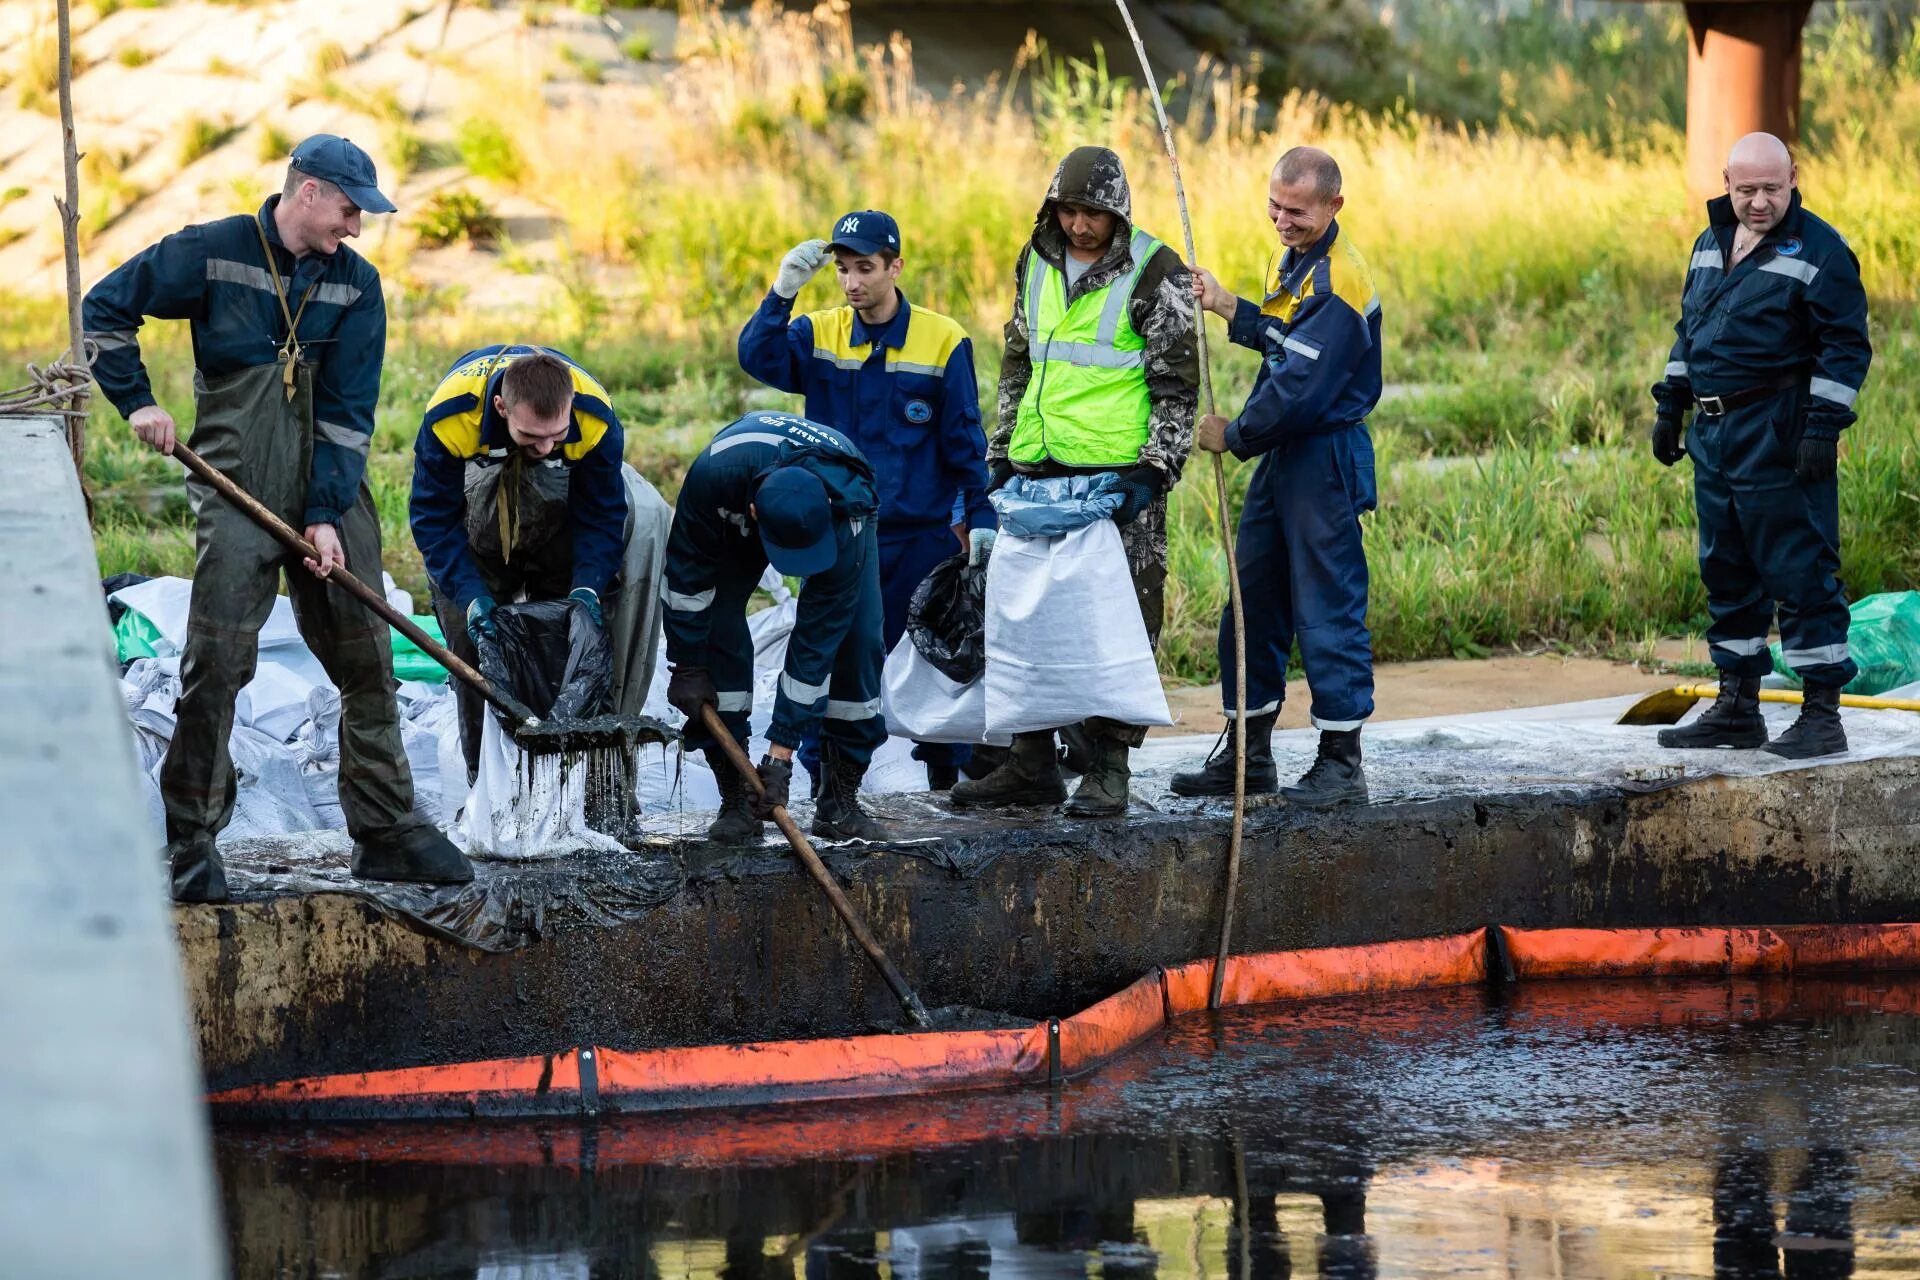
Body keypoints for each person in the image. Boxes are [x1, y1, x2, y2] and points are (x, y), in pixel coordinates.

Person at [81, 134, 472, 902]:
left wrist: (327, 514)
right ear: (309, 192)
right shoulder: (213, 252)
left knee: (369, 661)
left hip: (331, 488)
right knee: (216, 666)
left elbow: (352, 412)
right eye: (351, 210)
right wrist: (139, 403)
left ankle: (387, 830)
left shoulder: (358, 286)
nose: (356, 228)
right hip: (233, 487)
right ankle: (191, 842)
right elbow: (104, 310)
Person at [949, 145, 1198, 818]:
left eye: (1093, 213)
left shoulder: (1156, 270)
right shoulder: (1036, 259)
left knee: (1116, 623)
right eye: (1069, 210)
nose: (1081, 226)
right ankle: (1030, 764)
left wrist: (1155, 471)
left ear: (1117, 212)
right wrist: (1001, 449)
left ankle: (1108, 767)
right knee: (1028, 617)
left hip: (1116, 481)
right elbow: (1018, 357)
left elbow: (1177, 387)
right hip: (1037, 471)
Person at [737, 210, 995, 790]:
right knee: (826, 657)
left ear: (895, 267)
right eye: (843, 270)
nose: (852, 283)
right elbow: (758, 358)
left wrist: (979, 514)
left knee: (937, 662)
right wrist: (782, 294)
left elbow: (964, 438)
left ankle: (945, 782)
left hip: (918, 537)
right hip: (838, 537)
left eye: (865, 268)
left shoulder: (942, 339)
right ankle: (826, 781)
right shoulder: (819, 332)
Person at [1649, 132, 1871, 759]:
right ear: (1726, 182)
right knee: (1727, 567)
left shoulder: (1821, 251)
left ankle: (1822, 717)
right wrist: (1673, 404)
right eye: (1746, 189)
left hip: (1779, 431)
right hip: (1715, 437)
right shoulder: (1708, 243)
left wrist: (1822, 427)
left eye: (1772, 188)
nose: (1758, 201)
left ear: (1793, 178)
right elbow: (1690, 329)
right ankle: (1736, 708)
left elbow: (1846, 347)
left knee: (1800, 569)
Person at [1171, 146, 1381, 808]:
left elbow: (1300, 389)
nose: (1281, 220)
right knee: (1251, 597)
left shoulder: (1339, 283)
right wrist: (1228, 305)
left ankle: (1341, 764)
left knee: (1326, 603)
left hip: (1320, 456)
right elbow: (1280, 341)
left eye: (1296, 211)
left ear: (1334, 206)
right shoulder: (1288, 259)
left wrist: (1233, 435)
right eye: (1274, 205)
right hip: (1283, 457)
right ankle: (1247, 754)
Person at [410, 344, 667, 782]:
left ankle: (578, 779)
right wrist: (471, 598)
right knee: (471, 648)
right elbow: (434, 520)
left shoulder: (593, 416)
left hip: (564, 504)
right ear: (500, 407)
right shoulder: (452, 414)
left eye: (556, 435)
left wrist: (586, 587)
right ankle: (486, 781)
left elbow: (601, 515)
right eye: (532, 436)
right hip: (478, 495)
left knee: (572, 635)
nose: (546, 446)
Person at [661, 412, 887, 843]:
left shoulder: (847, 506)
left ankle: (839, 802)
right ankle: (737, 798)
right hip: (736, 499)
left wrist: (780, 752)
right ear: (753, 515)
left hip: (840, 517)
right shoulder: (712, 481)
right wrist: (687, 663)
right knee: (717, 630)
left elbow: (816, 640)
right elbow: (687, 584)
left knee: (857, 642)